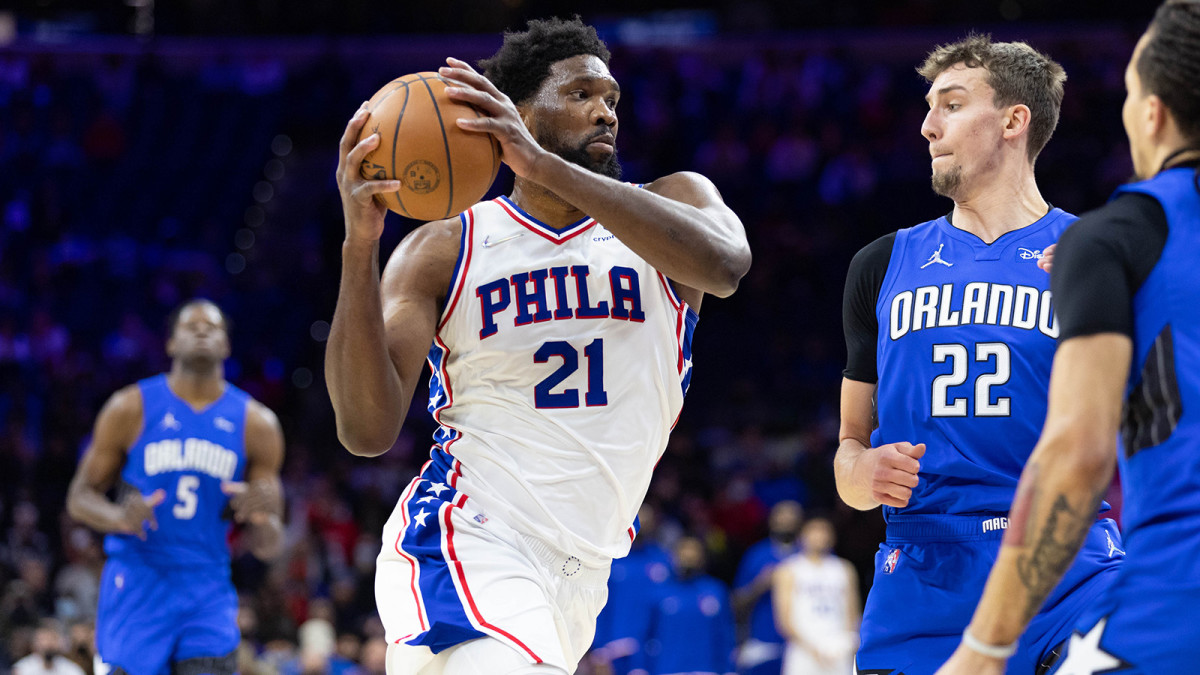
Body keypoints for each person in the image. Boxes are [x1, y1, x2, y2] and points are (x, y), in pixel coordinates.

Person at [327, 16, 750, 675]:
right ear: (514, 113)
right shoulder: (444, 249)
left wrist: (544, 164)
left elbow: (725, 265)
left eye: (611, 98)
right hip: (468, 541)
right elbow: (365, 429)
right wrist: (359, 247)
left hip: (582, 576)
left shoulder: (673, 204)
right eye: (580, 94)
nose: (605, 111)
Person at [835, 35, 1124, 674]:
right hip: (923, 575)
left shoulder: (1097, 255)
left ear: (1014, 121)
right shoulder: (881, 265)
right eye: (929, 107)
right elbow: (849, 444)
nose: (927, 125)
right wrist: (857, 475)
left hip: (1070, 574)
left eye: (952, 105)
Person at [935, 2, 1200, 673]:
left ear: (1152, 113)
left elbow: (1076, 458)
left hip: (1176, 596)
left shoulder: (1117, 236)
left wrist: (984, 645)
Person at [66, 299, 285, 675]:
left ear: (227, 345)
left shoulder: (257, 423)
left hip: (207, 587)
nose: (201, 330)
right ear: (170, 343)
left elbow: (270, 546)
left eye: (212, 326)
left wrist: (262, 520)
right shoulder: (129, 407)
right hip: (138, 579)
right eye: (191, 325)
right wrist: (120, 517)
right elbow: (79, 497)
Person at [772, 517, 859, 675]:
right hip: (802, 651)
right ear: (802, 535)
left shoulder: (845, 569)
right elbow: (784, 620)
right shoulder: (788, 570)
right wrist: (813, 650)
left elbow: (852, 613)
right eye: (814, 531)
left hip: (837, 650)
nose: (819, 536)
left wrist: (845, 644)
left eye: (824, 531)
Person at [731, 500, 803, 675]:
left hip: (802, 643)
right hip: (763, 640)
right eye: (781, 516)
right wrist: (760, 585)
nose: (786, 520)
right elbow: (736, 603)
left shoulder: (810, 554)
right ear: (771, 520)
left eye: (792, 516)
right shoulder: (756, 554)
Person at [13, 619, 87, 675]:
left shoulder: (71, 669)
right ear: (34, 643)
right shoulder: (22, 669)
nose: (47, 644)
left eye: (52, 639)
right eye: (43, 639)